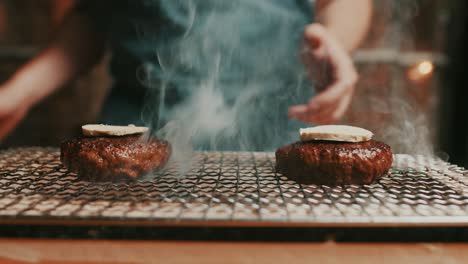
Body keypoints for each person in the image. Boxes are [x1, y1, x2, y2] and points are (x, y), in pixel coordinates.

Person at [0, 0, 372, 150]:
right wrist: (17, 94)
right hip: (135, 138)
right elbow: (96, 17)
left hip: (272, 138)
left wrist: (332, 41)